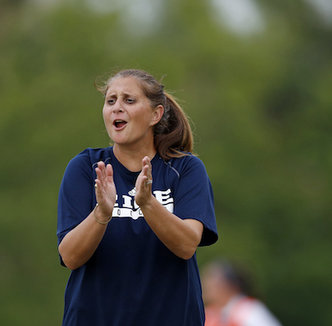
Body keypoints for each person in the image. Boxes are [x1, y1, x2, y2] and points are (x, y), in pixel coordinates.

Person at [57, 69, 218, 325]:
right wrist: (101, 214)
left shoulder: (185, 169)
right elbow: (70, 256)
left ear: (156, 114)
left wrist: (148, 204)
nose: (117, 108)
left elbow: (187, 245)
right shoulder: (86, 167)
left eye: (129, 100)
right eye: (111, 101)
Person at [202, 259, 281, 326]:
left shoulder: (247, 310)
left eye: (211, 279)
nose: (205, 284)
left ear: (230, 284)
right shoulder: (210, 313)